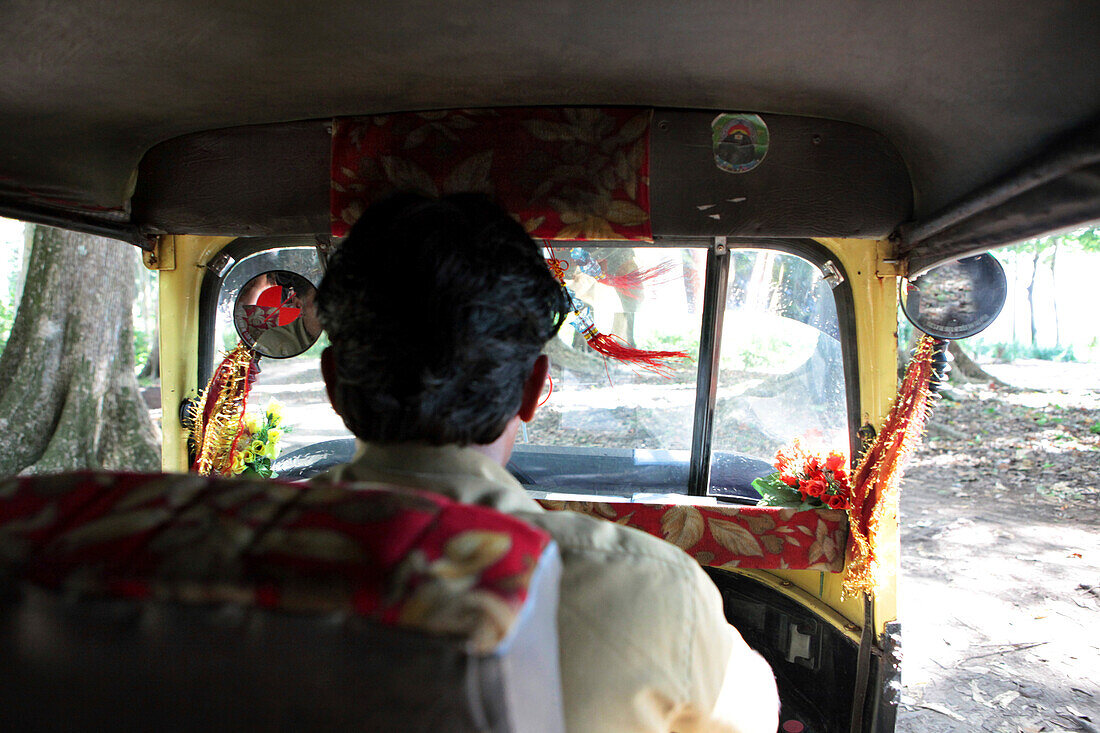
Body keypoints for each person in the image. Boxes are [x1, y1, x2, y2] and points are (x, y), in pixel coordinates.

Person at [315, 193, 779, 733]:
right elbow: (751, 716)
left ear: (332, 384)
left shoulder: (214, 552)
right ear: (534, 389)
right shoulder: (651, 590)